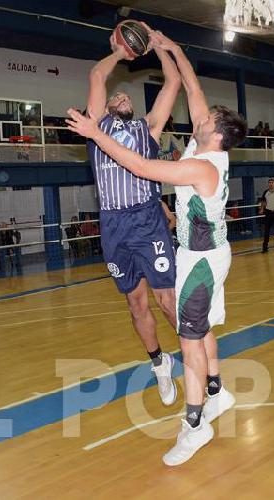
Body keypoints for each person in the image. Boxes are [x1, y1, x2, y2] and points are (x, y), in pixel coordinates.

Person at [66, 28, 248, 466]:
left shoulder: (200, 165)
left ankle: (195, 424)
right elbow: (191, 87)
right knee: (193, 328)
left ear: (216, 135)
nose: (198, 118)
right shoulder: (205, 146)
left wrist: (95, 134)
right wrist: (168, 46)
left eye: (205, 121)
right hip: (192, 250)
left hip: (197, 255)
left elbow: (143, 165)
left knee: (187, 335)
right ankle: (216, 392)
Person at [83, 21, 183, 405]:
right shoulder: (96, 130)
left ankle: (196, 358)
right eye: (116, 97)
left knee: (166, 300)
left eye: (127, 96)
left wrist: (157, 45)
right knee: (136, 303)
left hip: (145, 218)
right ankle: (160, 364)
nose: (122, 96)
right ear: (107, 107)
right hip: (113, 225)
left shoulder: (149, 130)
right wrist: (121, 52)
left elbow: (172, 84)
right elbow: (97, 74)